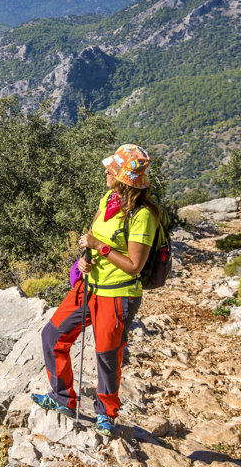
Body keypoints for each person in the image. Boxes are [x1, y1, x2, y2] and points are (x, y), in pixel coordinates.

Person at [31, 143, 160, 438]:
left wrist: (98, 246)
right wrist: (84, 257)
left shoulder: (143, 216)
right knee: (53, 335)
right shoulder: (109, 199)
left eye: (111, 168)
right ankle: (62, 398)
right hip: (90, 286)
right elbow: (90, 235)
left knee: (106, 354)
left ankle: (106, 414)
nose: (106, 169)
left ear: (123, 176)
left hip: (118, 294)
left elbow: (134, 266)